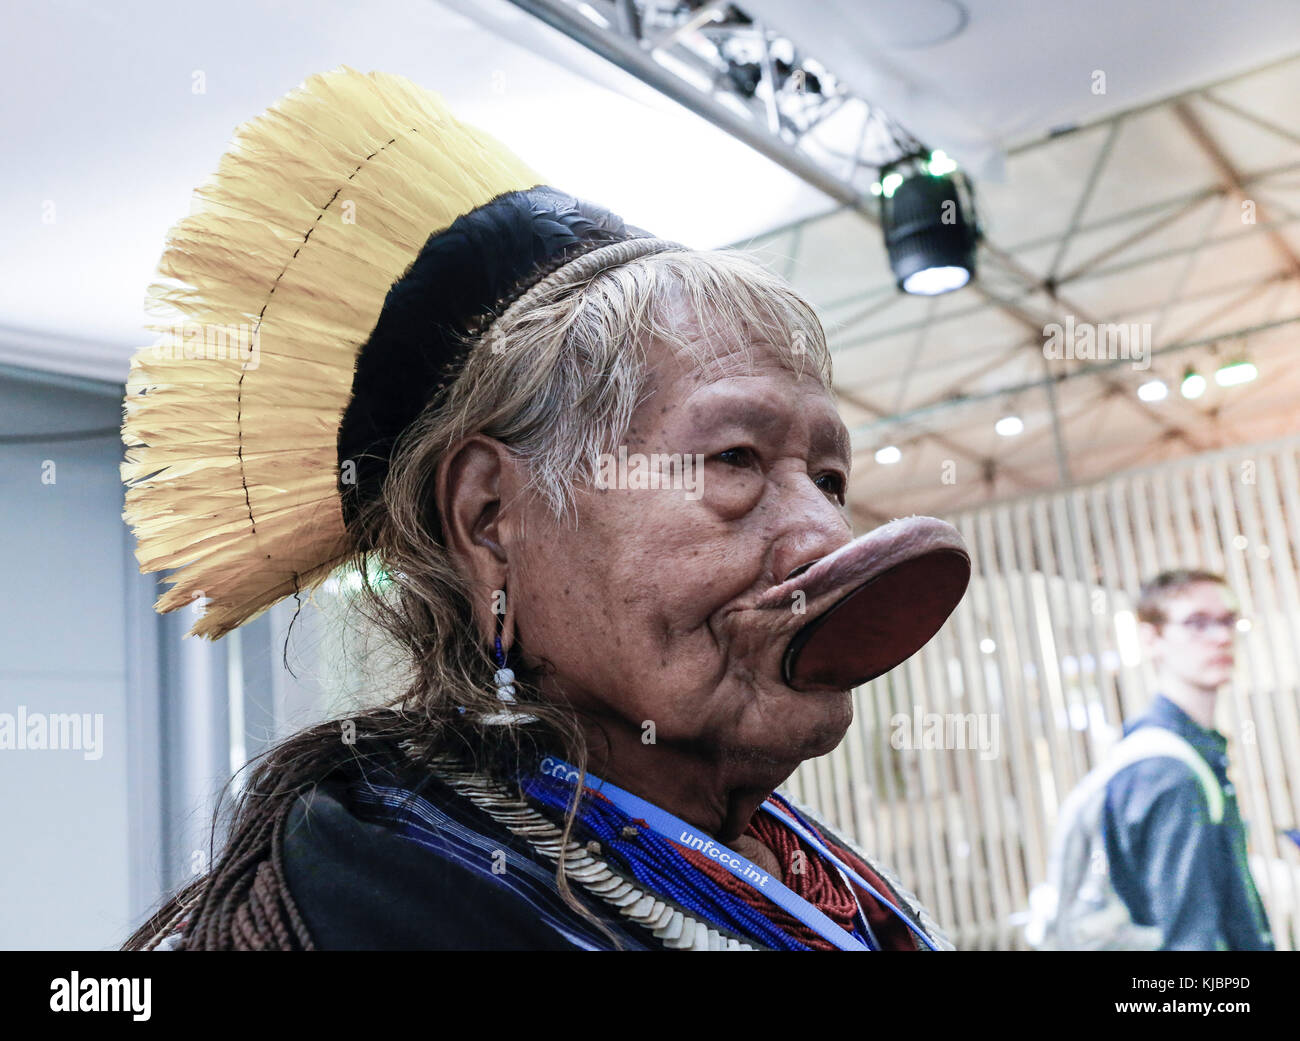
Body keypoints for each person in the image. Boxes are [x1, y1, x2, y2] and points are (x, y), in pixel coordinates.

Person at [118, 67, 971, 951]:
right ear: (493, 518)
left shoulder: (794, 873)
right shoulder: (384, 898)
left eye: (829, 478)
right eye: (734, 461)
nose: (826, 534)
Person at [1104, 569, 1273, 950]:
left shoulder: (1193, 749)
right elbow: (1189, 941)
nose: (1222, 637)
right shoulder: (1167, 769)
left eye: (1229, 620)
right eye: (1197, 623)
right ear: (1152, 638)